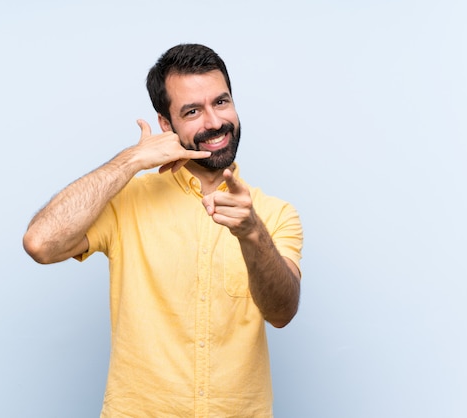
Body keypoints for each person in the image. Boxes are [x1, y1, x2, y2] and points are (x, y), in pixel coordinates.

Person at [23, 43, 303, 417]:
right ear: (167, 126)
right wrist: (131, 160)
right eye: (192, 111)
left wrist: (252, 233)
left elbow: (282, 312)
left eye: (221, 102)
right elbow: (40, 243)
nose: (214, 122)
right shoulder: (127, 202)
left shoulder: (273, 214)